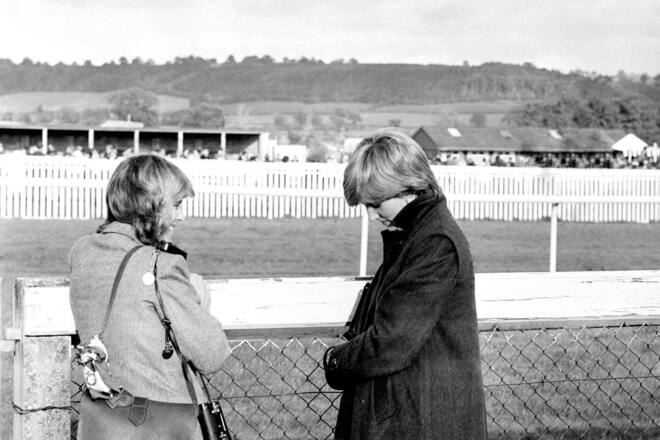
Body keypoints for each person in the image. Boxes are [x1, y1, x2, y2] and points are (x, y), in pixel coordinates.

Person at [324, 128, 487, 439]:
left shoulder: (434, 241)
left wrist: (335, 361)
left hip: (423, 420)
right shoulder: (416, 235)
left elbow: (391, 343)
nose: (371, 216)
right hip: (412, 413)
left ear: (407, 187)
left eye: (375, 203)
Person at [69, 154, 231, 439]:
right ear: (150, 205)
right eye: (177, 205)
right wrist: (199, 301)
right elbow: (212, 355)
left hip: (103, 419)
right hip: (164, 422)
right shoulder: (161, 265)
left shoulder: (83, 252)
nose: (181, 216)